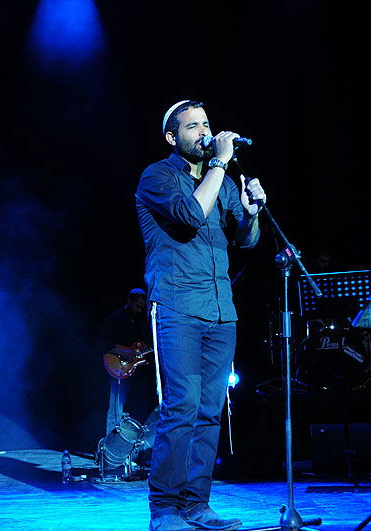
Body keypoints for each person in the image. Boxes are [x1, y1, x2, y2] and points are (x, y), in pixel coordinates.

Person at [135, 100, 265, 531]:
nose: (205, 131)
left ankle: (196, 504)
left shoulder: (220, 181)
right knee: (182, 406)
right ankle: (164, 509)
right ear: (172, 137)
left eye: (206, 123)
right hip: (177, 306)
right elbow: (191, 215)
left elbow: (246, 241)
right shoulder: (157, 176)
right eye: (193, 126)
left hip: (221, 309)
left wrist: (251, 214)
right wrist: (221, 165)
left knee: (210, 411)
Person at [95, 288, 154, 437]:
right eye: (138, 305)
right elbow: (101, 341)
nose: (140, 310)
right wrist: (122, 352)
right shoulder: (115, 318)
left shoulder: (140, 325)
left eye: (142, 307)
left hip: (134, 373)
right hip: (117, 368)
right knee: (116, 407)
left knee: (133, 408)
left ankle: (128, 443)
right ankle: (109, 443)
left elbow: (144, 349)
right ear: (130, 301)